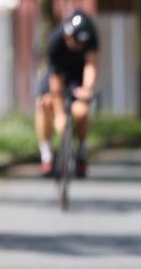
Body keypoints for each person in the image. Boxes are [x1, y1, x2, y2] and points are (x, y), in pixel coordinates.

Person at [35, 9, 99, 177]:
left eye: (82, 43)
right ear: (67, 35)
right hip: (57, 76)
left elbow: (91, 64)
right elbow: (55, 83)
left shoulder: (90, 34)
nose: (79, 47)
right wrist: (60, 115)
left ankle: (82, 151)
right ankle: (47, 155)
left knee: (81, 112)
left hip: (78, 77)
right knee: (44, 104)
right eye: (75, 42)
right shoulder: (55, 41)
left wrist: (87, 88)